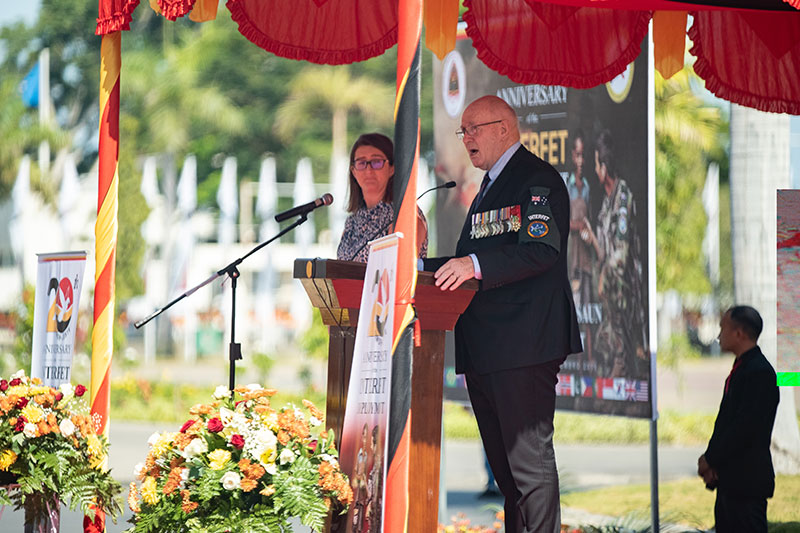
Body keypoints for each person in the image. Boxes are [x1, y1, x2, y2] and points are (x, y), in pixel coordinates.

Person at [423, 95, 582, 533]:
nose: (466, 138)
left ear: (504, 129)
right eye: (463, 130)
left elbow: (540, 251)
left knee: (528, 470)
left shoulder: (534, 179)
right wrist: (416, 268)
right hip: (489, 349)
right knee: (509, 480)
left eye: (474, 128)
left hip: (523, 347)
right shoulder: (491, 185)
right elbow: (469, 258)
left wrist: (472, 266)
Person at [698, 306, 779, 533]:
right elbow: (725, 422)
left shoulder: (760, 373)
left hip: (746, 483)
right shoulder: (743, 369)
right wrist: (711, 461)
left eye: (723, 327)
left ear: (739, 333)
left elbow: (744, 429)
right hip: (730, 482)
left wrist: (711, 458)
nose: (718, 334)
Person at [581, 129, 648, 378]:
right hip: (609, 295)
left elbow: (620, 254)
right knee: (607, 345)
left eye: (597, 164)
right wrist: (591, 238)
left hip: (623, 291)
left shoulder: (622, 198)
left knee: (624, 353)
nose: (595, 170)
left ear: (605, 166)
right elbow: (604, 251)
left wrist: (603, 276)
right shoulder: (606, 202)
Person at [337, 133, 428, 263]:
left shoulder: (404, 215)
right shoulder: (352, 222)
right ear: (353, 171)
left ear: (392, 168)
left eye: (376, 162)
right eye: (361, 163)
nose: (368, 170)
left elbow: (398, 269)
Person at [566, 130, 593, 307]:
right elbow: (562, 223)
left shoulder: (587, 187)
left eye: (583, 155)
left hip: (585, 255)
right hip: (571, 254)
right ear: (571, 156)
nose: (580, 161)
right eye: (577, 155)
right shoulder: (566, 184)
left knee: (587, 301)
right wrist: (578, 225)